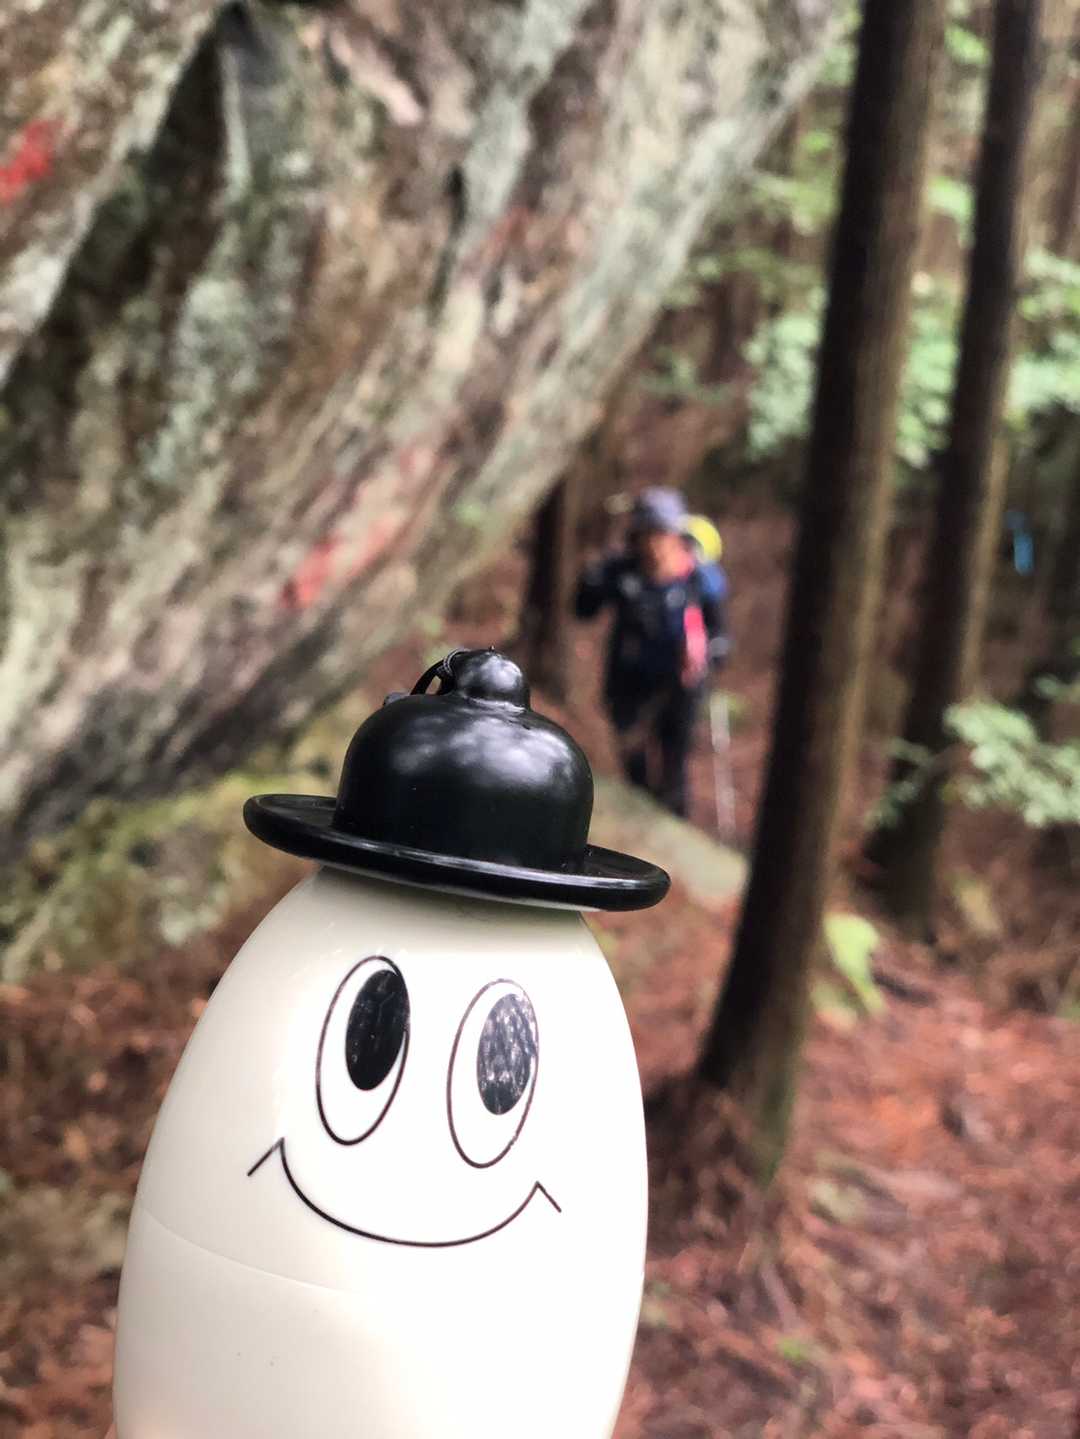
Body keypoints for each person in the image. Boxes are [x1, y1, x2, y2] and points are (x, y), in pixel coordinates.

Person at [575, 488, 729, 817]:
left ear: (676, 534)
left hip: (680, 686)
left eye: (662, 533)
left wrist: (706, 656)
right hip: (628, 681)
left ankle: (674, 820)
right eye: (648, 534)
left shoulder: (698, 578)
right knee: (633, 759)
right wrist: (590, 579)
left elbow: (720, 636)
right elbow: (583, 610)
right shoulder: (621, 572)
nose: (655, 544)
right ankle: (642, 815)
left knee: (675, 761)